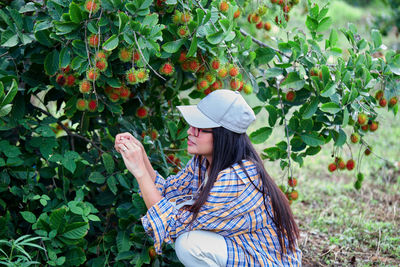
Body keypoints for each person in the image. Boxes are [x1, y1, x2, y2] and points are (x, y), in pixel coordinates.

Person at [114, 89, 302, 266]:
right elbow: (168, 193)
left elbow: (172, 226)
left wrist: (140, 172)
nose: (190, 131)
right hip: (242, 249)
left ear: (223, 135)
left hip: (265, 260)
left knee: (189, 244)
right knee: (187, 234)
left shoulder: (235, 180)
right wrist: (141, 155)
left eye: (201, 128)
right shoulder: (204, 163)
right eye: (192, 125)